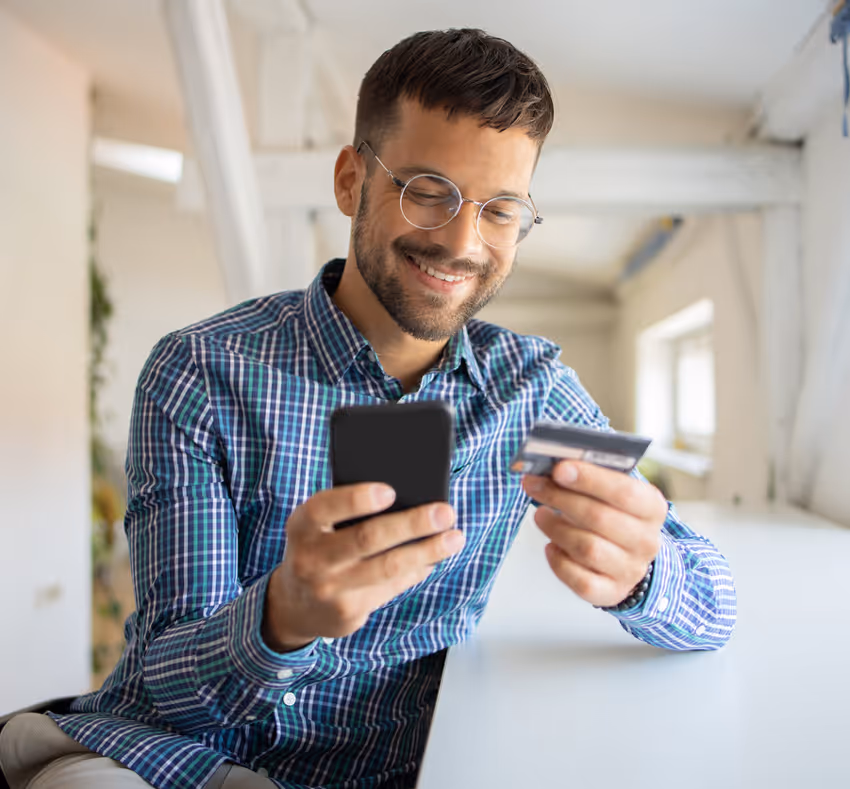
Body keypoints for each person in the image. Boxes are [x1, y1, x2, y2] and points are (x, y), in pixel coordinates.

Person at [0, 28, 736, 789]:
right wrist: (281, 617)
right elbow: (171, 693)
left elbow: (715, 607)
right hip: (192, 765)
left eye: (501, 209)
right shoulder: (201, 372)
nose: (460, 241)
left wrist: (642, 571)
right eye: (427, 191)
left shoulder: (532, 390)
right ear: (351, 181)